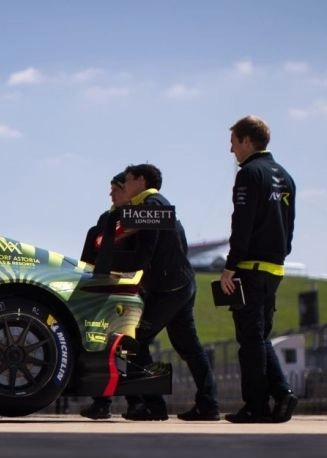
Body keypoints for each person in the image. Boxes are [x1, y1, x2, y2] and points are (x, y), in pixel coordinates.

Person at [116, 163, 219, 421]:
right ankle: (208, 404)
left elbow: (145, 252)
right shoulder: (159, 205)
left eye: (127, 181)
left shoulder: (150, 206)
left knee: (135, 342)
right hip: (180, 285)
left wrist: (117, 268)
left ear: (140, 180)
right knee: (189, 346)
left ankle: (154, 406)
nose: (124, 186)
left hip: (168, 289)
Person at [220, 115, 298, 423]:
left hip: (250, 268)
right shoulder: (286, 176)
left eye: (233, 143)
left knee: (249, 343)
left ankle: (256, 405)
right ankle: (282, 394)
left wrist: (230, 266)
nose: (231, 151)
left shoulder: (249, 174)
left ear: (247, 141)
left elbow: (242, 224)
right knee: (260, 337)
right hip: (275, 268)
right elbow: (289, 226)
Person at [78, 172, 140, 420]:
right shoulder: (105, 220)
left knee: (128, 349)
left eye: (116, 189)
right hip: (102, 292)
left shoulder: (138, 219)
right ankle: (101, 402)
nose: (111, 194)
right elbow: (88, 258)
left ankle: (136, 401)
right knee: (101, 348)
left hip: (128, 292)